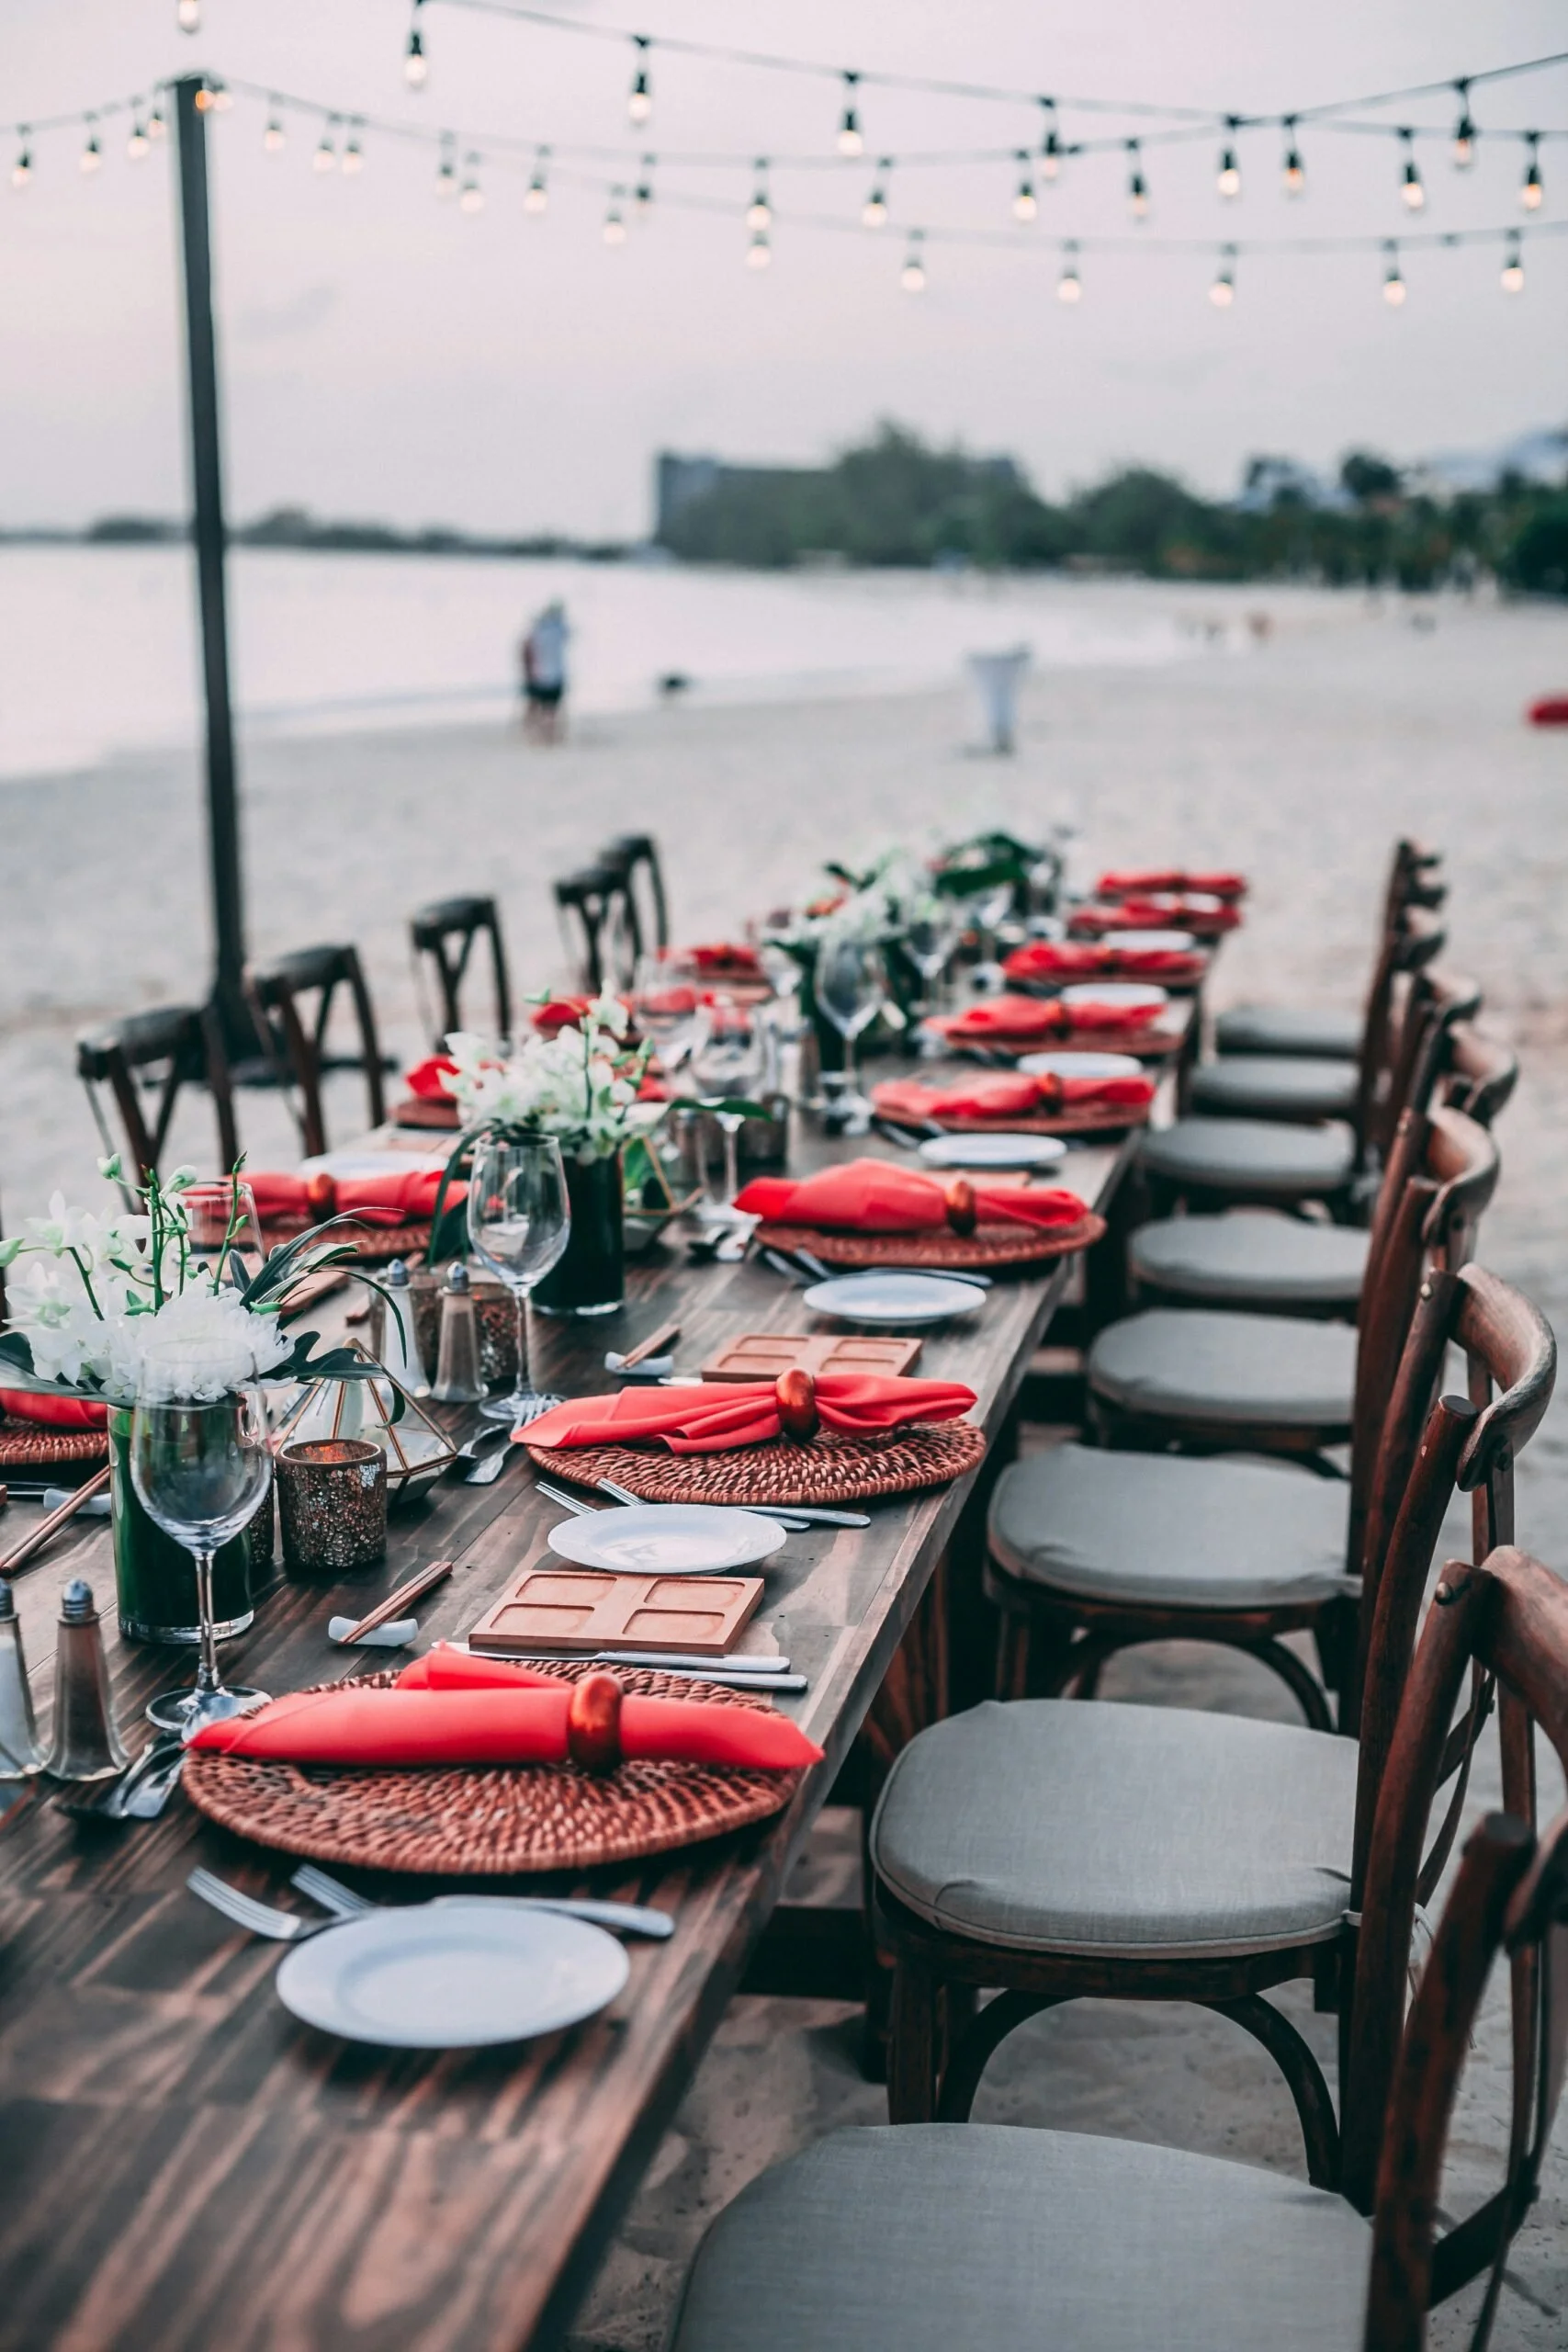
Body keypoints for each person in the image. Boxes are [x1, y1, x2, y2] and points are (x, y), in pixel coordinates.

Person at [520, 600, 570, 743]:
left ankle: (538, 734)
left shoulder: (539, 631)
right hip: (551, 675)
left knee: (540, 708)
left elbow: (526, 650)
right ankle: (547, 735)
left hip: (540, 675)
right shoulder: (557, 630)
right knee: (550, 710)